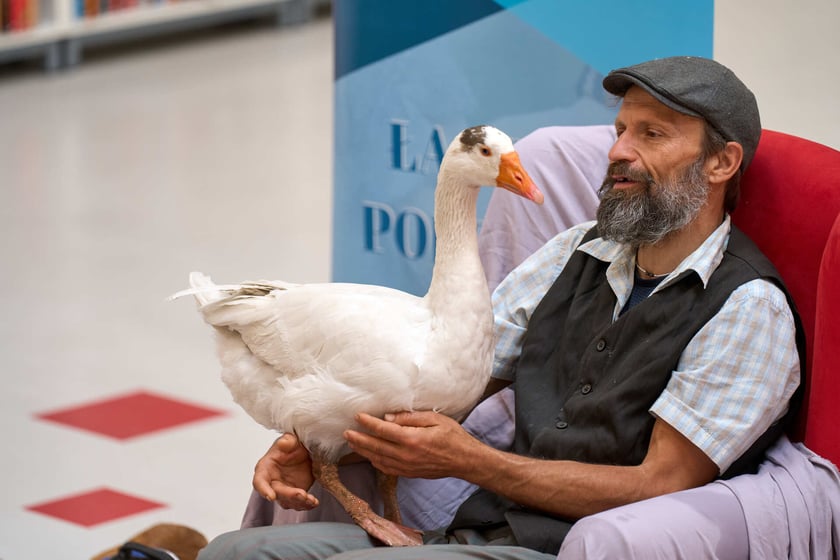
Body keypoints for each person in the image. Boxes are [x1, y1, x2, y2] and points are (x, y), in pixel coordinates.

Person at [197, 56, 803, 559]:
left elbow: (659, 485)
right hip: (480, 526)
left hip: (571, 546)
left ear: (721, 162)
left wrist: (476, 462)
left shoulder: (749, 308)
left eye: (652, 134)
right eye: (620, 130)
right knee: (235, 552)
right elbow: (452, 376)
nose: (618, 151)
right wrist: (322, 440)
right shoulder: (579, 250)